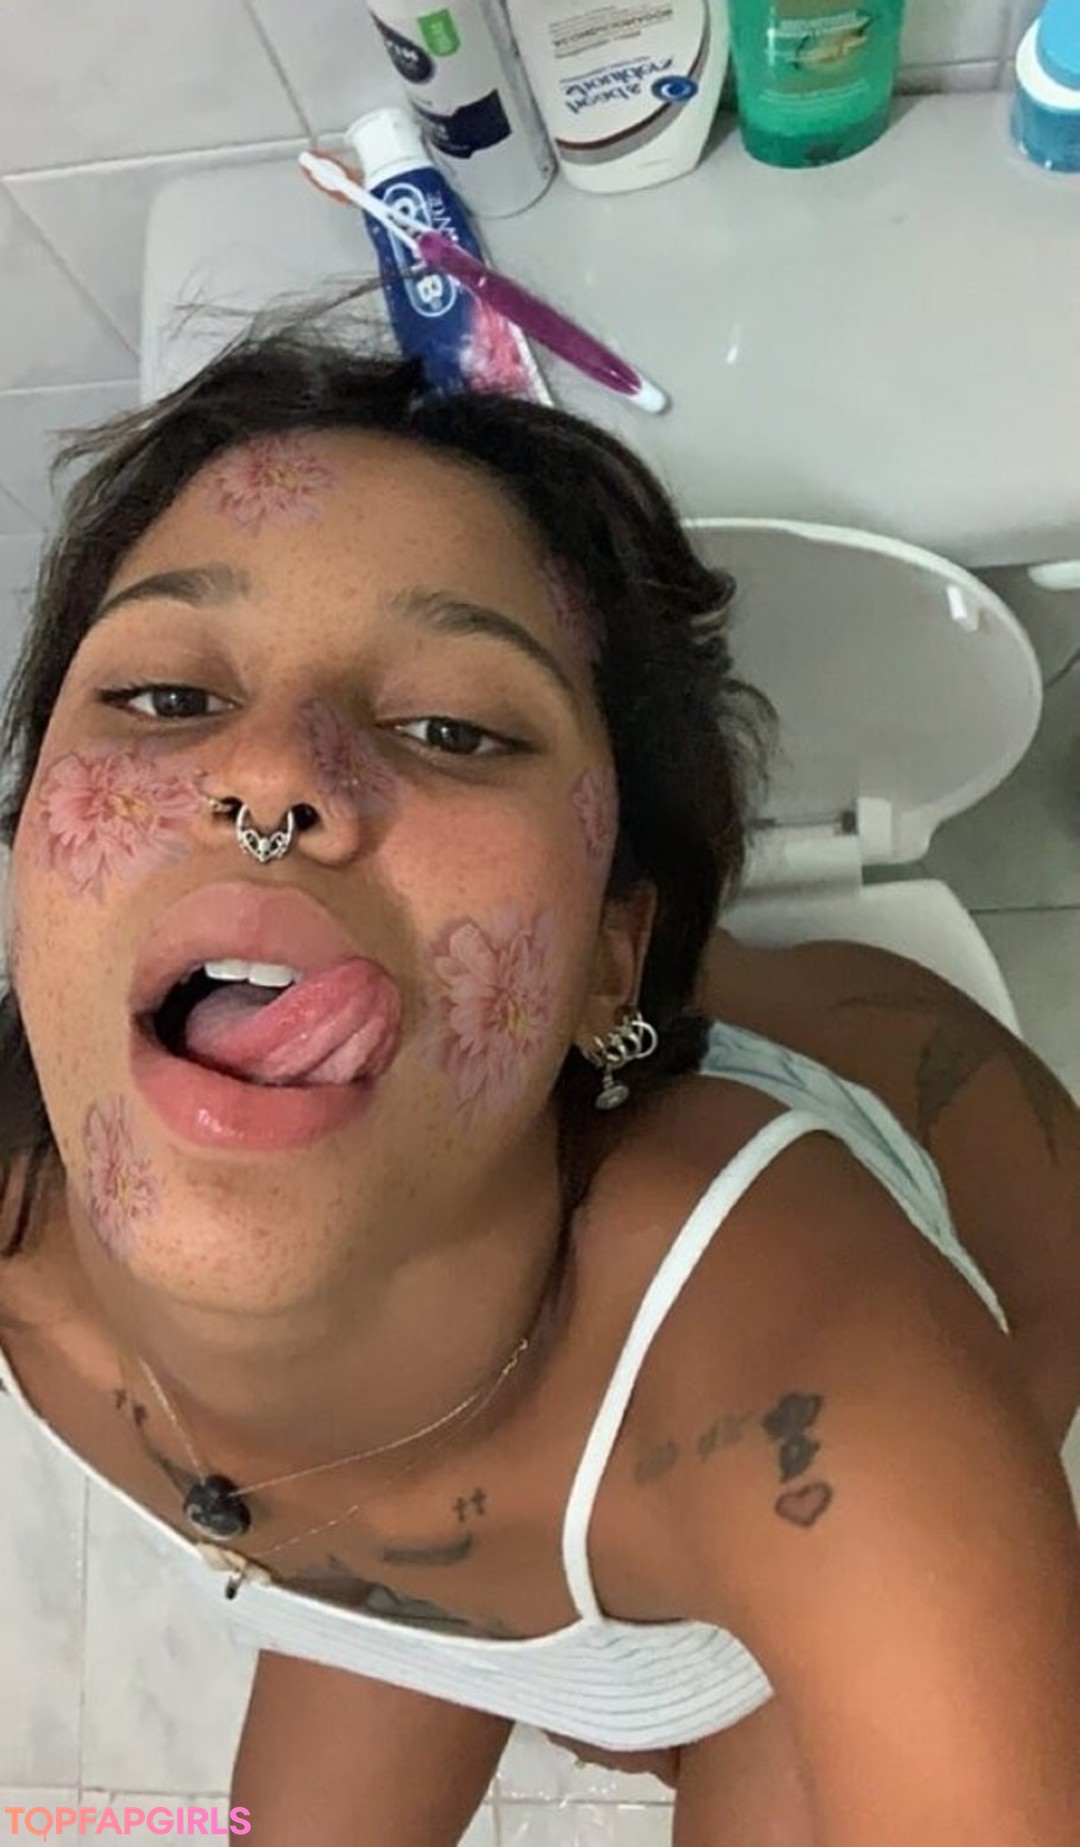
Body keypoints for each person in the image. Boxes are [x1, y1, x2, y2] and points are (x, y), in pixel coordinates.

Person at [1, 311, 1078, 1847]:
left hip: (966, 1271)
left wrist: (679, 1692)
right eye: (166, 696)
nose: (273, 774)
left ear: (609, 963)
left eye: (455, 725)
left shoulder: (834, 1404)